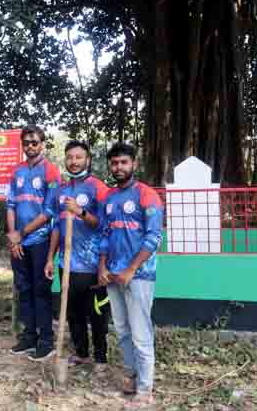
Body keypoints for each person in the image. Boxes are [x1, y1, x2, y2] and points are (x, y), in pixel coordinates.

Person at [97, 143, 163, 409]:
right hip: (112, 274)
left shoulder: (147, 195)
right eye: (114, 163)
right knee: (122, 330)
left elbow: (153, 238)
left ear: (134, 164)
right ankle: (132, 375)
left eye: (123, 162)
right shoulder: (109, 198)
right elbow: (103, 235)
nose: (118, 168)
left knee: (140, 333)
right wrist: (103, 267)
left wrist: (131, 269)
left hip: (139, 276)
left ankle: (145, 390)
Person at [44, 140, 110, 369]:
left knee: (97, 313)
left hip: (92, 265)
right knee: (72, 312)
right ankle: (81, 353)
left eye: (78, 157)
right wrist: (50, 258)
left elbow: (104, 225)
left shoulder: (98, 188)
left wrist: (80, 212)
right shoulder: (61, 190)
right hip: (67, 263)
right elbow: (55, 226)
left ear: (87, 160)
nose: (73, 162)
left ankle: (101, 357)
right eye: (70, 157)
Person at [6, 125, 61, 362]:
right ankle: (28, 336)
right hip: (18, 243)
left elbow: (49, 212)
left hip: (39, 241)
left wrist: (22, 233)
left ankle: (46, 341)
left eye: (35, 142)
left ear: (42, 144)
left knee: (41, 291)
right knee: (24, 289)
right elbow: (10, 205)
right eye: (26, 142)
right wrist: (12, 236)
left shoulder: (51, 172)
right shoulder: (16, 171)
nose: (30, 146)